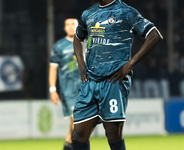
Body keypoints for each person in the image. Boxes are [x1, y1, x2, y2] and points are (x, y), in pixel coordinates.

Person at [72, 0, 163, 150]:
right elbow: (78, 37)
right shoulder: (88, 13)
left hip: (113, 81)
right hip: (90, 82)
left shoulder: (127, 12)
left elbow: (155, 36)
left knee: (113, 136)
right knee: (78, 135)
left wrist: (131, 63)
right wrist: (81, 66)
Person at [49, 18, 81, 150]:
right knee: (76, 122)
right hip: (68, 91)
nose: (70, 27)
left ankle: (68, 146)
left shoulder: (86, 42)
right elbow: (53, 68)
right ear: (64, 28)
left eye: (73, 24)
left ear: (79, 26)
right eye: (67, 25)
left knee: (76, 128)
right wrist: (52, 89)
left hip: (85, 89)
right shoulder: (59, 46)